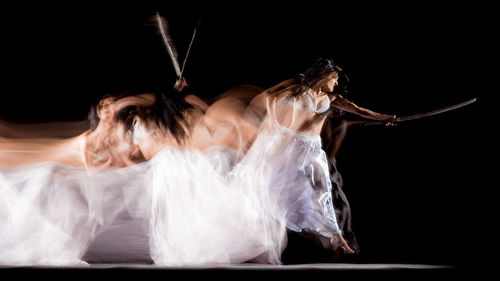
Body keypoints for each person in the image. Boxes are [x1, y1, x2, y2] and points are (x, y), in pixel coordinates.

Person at [232, 58, 396, 257]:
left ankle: (336, 236)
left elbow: (359, 110)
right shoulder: (300, 91)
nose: (336, 83)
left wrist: (384, 117)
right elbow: (271, 99)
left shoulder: (333, 99)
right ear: (324, 75)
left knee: (323, 188)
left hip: (313, 149)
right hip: (293, 146)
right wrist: (274, 121)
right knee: (280, 186)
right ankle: (255, 225)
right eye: (334, 78)